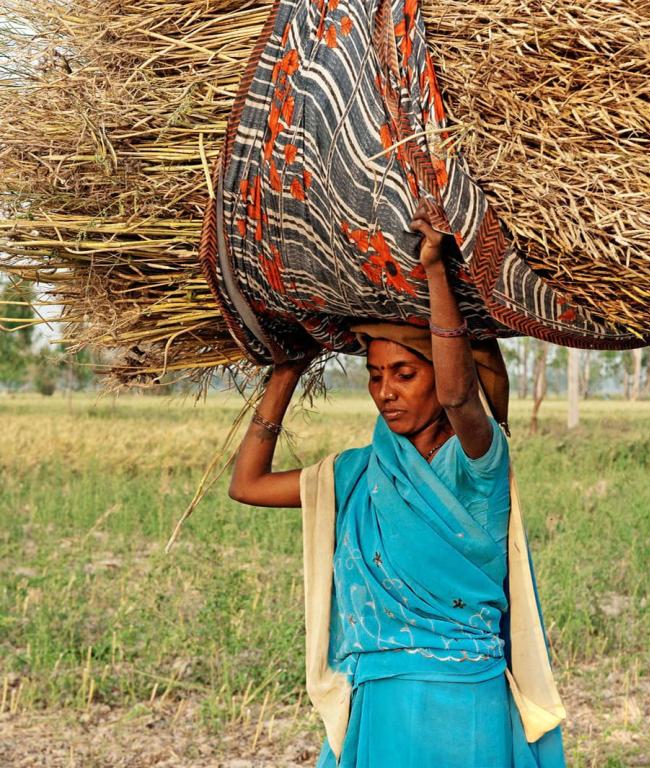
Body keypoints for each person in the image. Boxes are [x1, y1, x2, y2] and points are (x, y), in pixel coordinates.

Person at [228, 201, 567, 767]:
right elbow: (248, 484)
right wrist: (287, 372)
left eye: (406, 374)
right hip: (381, 699)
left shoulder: (479, 463)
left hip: (465, 705)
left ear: (443, 374)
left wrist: (436, 271)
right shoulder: (358, 473)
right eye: (374, 376)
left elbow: (463, 398)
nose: (386, 391)